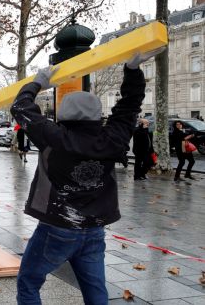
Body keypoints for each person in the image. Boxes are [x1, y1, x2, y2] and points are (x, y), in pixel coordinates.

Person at [10, 48, 163, 304]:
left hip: (58, 227)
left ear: (63, 115)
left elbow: (21, 107)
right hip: (94, 229)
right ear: (96, 114)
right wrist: (132, 71)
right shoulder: (112, 137)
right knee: (95, 290)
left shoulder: (55, 138)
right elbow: (129, 106)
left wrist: (38, 83)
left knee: (29, 282)